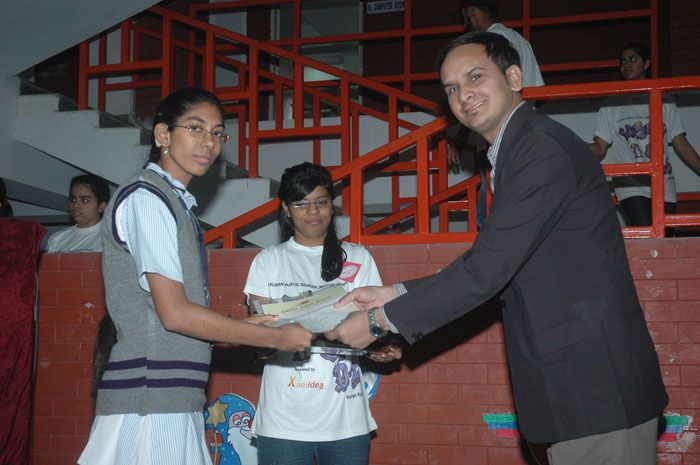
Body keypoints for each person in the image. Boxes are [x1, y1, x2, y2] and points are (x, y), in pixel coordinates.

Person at [327, 32, 668, 465]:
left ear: (513, 76)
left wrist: (379, 320)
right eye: (451, 88)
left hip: (593, 388)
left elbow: (487, 271)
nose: (463, 95)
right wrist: (395, 292)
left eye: (474, 77)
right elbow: (494, 263)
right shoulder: (517, 150)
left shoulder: (539, 149)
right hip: (580, 388)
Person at [78, 87, 313, 465]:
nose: (209, 143)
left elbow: (168, 319)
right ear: (162, 135)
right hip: (152, 399)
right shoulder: (148, 198)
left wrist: (240, 329)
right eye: (196, 128)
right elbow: (175, 314)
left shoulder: (173, 202)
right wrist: (272, 336)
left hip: (171, 396)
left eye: (218, 133)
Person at [244, 162, 401, 465]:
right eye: (302, 204)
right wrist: (265, 336)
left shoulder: (357, 257)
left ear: (332, 205)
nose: (313, 212)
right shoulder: (268, 260)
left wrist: (381, 347)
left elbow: (371, 327)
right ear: (287, 209)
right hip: (283, 418)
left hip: (345, 417)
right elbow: (260, 337)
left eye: (321, 202)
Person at [448, 0, 545, 227]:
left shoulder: (488, 44)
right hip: (527, 131)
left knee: (492, 214)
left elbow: (479, 97)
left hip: (501, 137)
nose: (465, 24)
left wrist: (460, 138)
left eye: (465, 18)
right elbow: (539, 94)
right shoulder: (521, 41)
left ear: (473, 12)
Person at [590, 43, 700, 226]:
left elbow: (680, 143)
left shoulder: (665, 101)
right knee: (647, 237)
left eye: (633, 59)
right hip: (630, 184)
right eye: (623, 61)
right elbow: (600, 149)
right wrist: (573, 144)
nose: (627, 64)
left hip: (663, 181)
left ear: (647, 63)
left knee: (665, 243)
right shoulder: (611, 104)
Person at [46, 174, 110, 252]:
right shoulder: (57, 239)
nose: (76, 205)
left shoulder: (111, 239)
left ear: (101, 206)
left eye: (84, 200)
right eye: (73, 199)